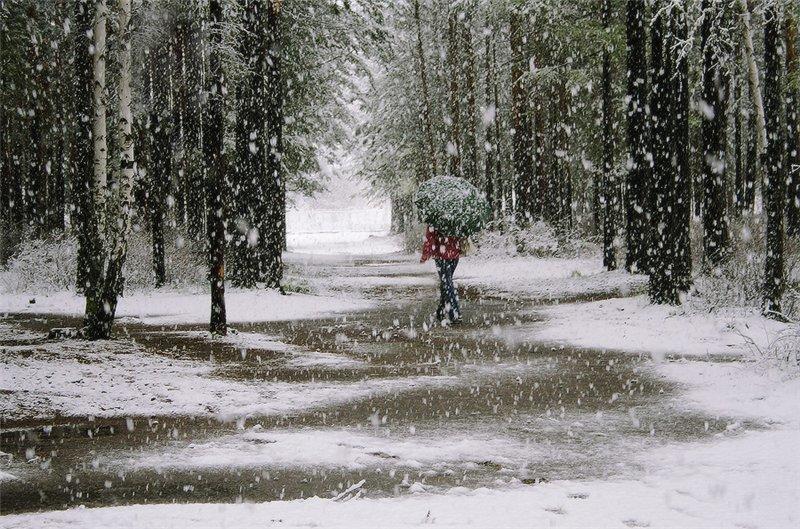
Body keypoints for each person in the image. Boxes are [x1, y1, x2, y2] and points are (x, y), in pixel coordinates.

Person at [420, 226, 462, 324]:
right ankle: (441, 310)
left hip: (441, 255)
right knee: (447, 283)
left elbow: (430, 237)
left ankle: (454, 313)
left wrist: (425, 254)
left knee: (447, 283)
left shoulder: (435, 217)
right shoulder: (456, 216)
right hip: (454, 254)